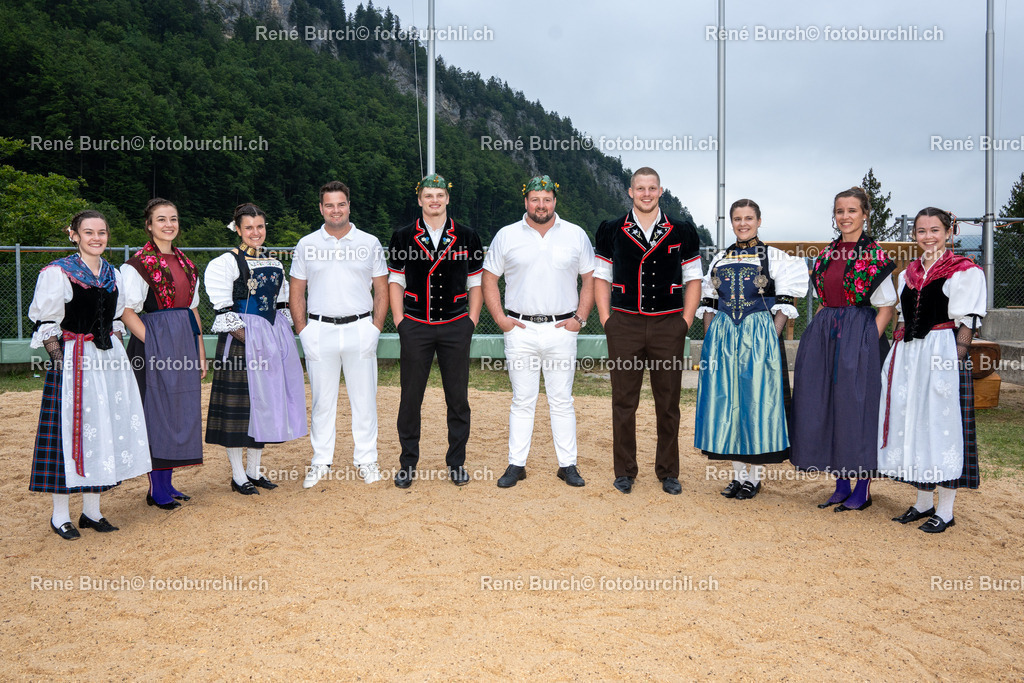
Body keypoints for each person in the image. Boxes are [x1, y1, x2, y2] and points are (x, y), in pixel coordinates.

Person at [28, 210, 151, 539]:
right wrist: (61, 365)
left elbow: (116, 321)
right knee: (67, 436)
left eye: (102, 232)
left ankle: (92, 512)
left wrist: (116, 355)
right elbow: (47, 324)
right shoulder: (58, 273)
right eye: (88, 232)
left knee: (102, 430)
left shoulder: (113, 273)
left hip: (108, 361)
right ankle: (60, 516)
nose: (96, 238)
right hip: (73, 361)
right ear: (74, 235)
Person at [594, 167, 703, 495]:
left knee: (668, 402)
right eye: (640, 188)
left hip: (668, 325)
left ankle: (668, 471)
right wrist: (608, 320)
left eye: (651, 188)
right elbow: (601, 277)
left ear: (660, 191)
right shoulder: (611, 229)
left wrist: (684, 322)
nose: (646, 194)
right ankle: (625, 470)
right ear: (630, 191)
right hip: (624, 324)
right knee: (623, 401)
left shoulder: (682, 230)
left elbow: (693, 279)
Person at [482, 176, 595, 488]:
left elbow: (590, 277)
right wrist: (501, 319)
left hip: (562, 328)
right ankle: (516, 464)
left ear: (555, 201)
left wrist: (580, 319)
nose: (541, 205)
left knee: (562, 400)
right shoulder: (507, 235)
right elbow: (488, 277)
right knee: (522, 399)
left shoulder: (575, 234)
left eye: (546, 199)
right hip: (520, 329)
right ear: (526, 202)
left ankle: (567, 465)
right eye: (535, 199)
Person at [879, 208, 986, 533]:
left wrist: (955, 359)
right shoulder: (907, 274)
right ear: (915, 235)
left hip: (942, 351)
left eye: (935, 230)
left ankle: (947, 510)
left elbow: (968, 321)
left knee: (942, 426)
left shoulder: (964, 271)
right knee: (916, 424)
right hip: (910, 354)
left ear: (949, 232)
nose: (928, 237)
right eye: (922, 231)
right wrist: (897, 351)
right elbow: (902, 318)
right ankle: (923, 502)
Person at [790, 187, 897, 511]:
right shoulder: (827, 254)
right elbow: (825, 301)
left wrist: (866, 342)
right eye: (840, 211)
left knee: (857, 410)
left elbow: (886, 307)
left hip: (859, 334)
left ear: (865, 214)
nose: (845, 216)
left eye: (852, 210)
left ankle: (862, 489)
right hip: (826, 334)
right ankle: (840, 485)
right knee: (827, 406)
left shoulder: (874, 255)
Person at [695, 199, 809, 499]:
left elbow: (785, 302)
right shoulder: (720, 258)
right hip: (723, 338)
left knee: (757, 401)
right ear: (731, 222)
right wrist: (710, 341)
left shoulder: (774, 257)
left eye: (748, 218)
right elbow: (709, 304)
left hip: (759, 337)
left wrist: (771, 336)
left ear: (759, 221)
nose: (742, 224)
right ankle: (737, 475)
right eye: (737, 219)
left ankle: (754, 478)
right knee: (728, 401)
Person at [290, 181, 389, 489]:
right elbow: (296, 292)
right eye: (329, 205)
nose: (336, 210)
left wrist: (375, 328)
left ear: (349, 206)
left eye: (341, 204)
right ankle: (321, 460)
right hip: (319, 330)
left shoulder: (369, 242)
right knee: (322, 401)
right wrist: (303, 332)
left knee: (365, 400)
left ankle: (367, 459)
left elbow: (382, 290)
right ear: (321, 208)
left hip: (360, 328)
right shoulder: (306, 244)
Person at [204, 203, 308, 495]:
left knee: (264, 405)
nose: (255, 232)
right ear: (237, 229)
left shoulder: (274, 263)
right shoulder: (226, 262)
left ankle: (254, 470)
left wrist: (276, 342)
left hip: (271, 339)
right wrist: (252, 342)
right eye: (248, 227)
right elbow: (223, 310)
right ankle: (238, 476)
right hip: (241, 341)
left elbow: (282, 303)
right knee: (239, 409)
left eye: (260, 226)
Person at [388, 173, 483, 488]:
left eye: (440, 195)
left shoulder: (467, 236)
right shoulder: (403, 236)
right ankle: (407, 463)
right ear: (420, 200)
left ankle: (456, 463)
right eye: (428, 195)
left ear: (447, 199)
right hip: (416, 325)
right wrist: (400, 322)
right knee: (410, 398)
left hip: (456, 326)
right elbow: (395, 281)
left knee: (458, 399)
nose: (434, 200)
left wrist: (470, 321)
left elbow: (476, 282)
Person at [121, 198, 205, 510]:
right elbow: (126, 311)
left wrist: (199, 349)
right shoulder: (137, 265)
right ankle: (156, 489)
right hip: (152, 345)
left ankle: (167, 483)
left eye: (173, 218)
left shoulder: (187, 264)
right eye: (161, 219)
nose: (169, 224)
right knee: (155, 413)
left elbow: (192, 309)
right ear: (149, 225)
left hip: (183, 343)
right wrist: (155, 344)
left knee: (178, 411)